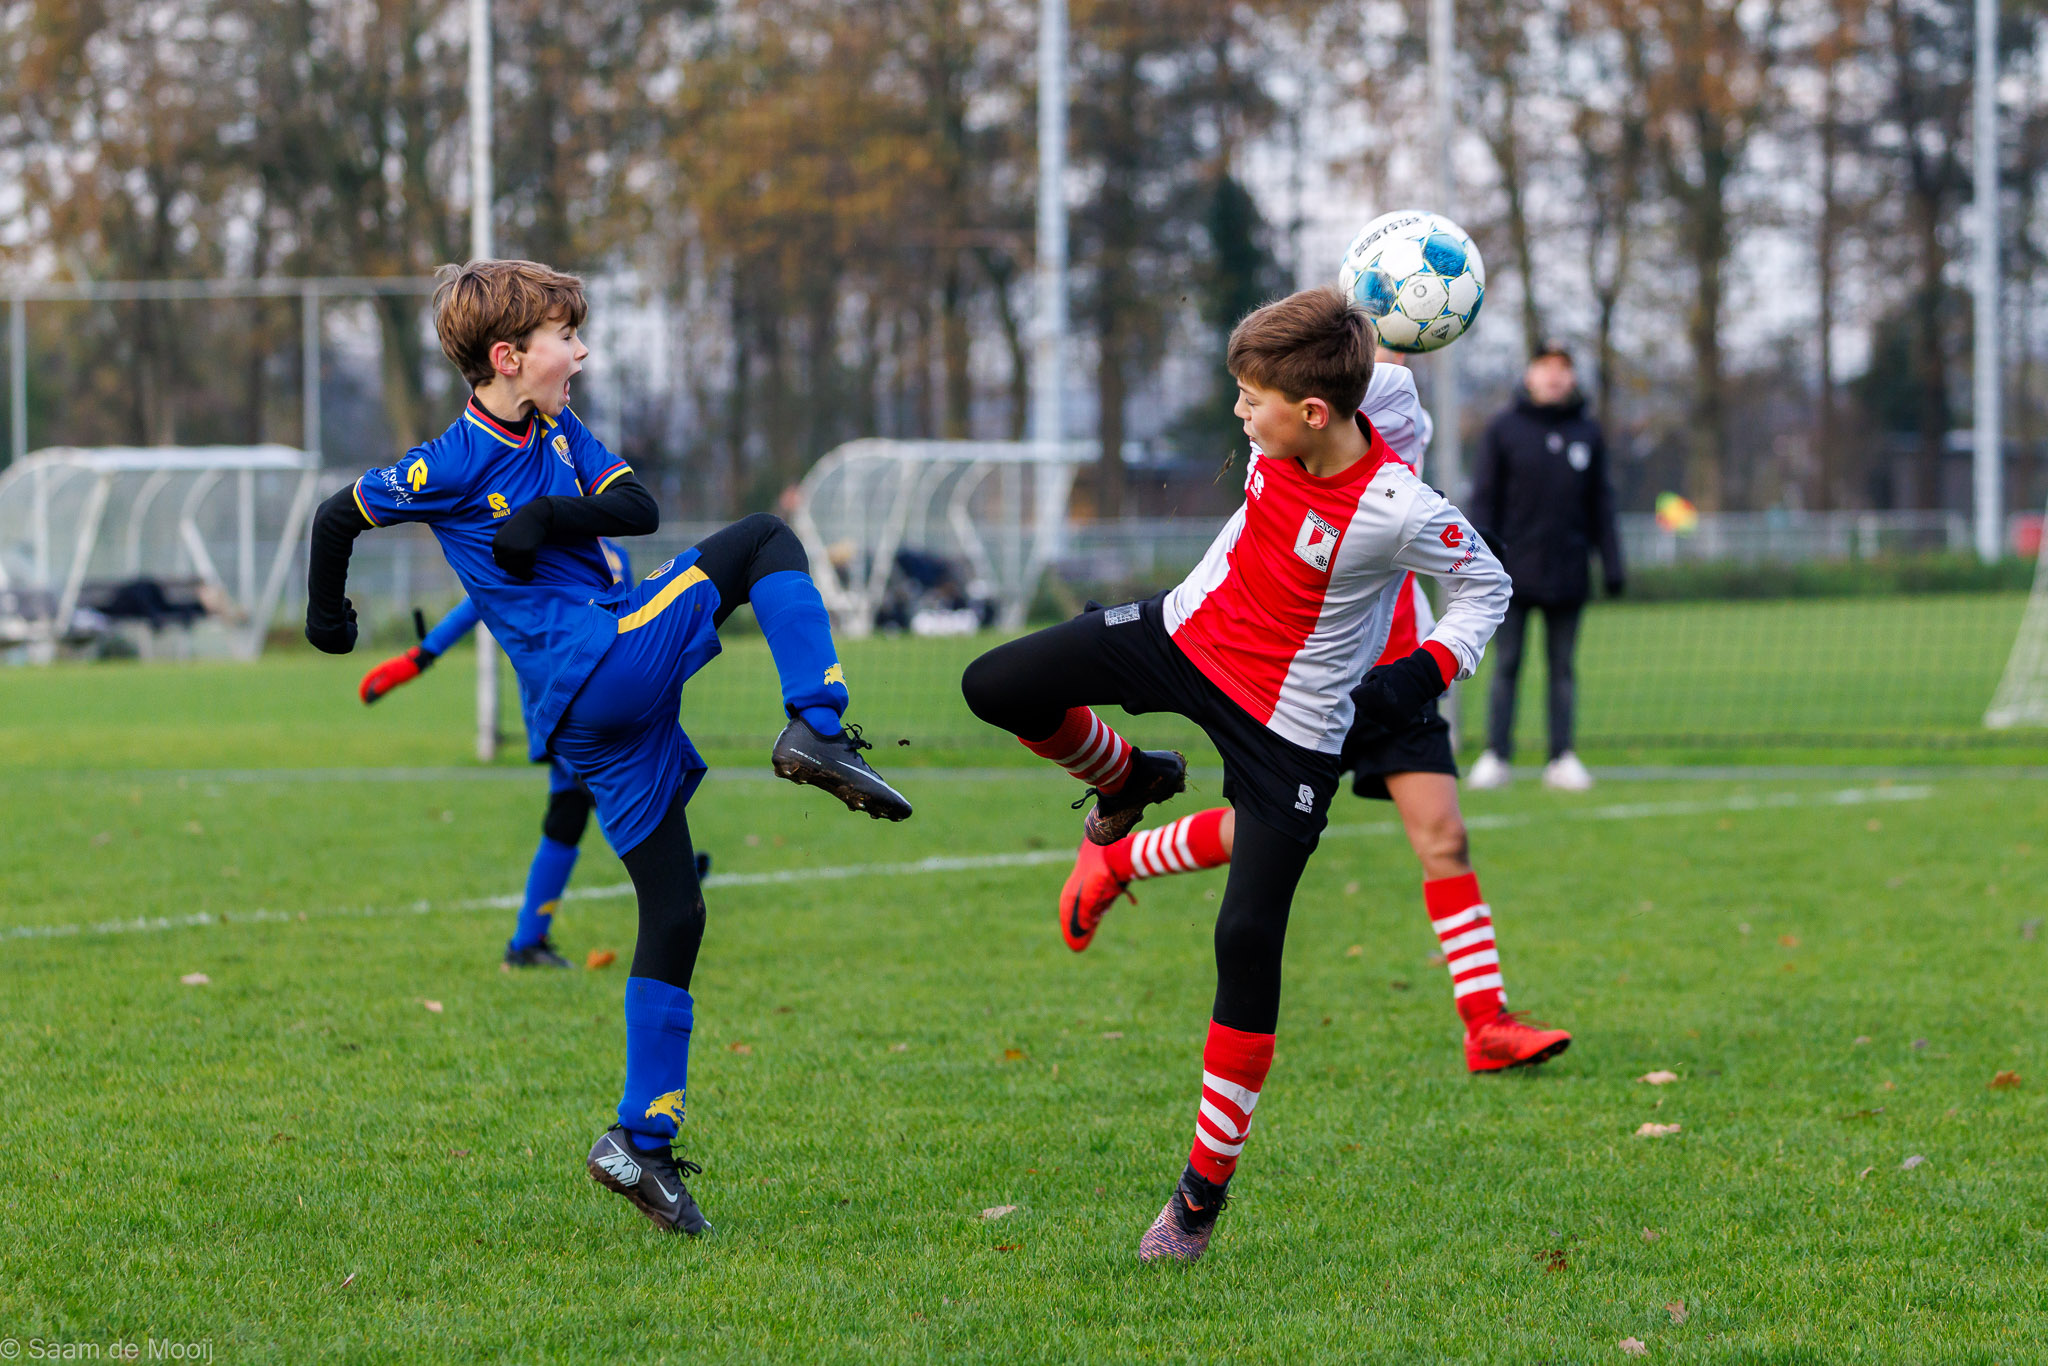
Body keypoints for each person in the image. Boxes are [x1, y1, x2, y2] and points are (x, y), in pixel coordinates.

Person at [304, 259, 912, 1238]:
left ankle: (640, 1142)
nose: (581, 352)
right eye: (565, 337)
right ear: (509, 357)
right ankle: (817, 723)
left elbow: (637, 508)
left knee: (675, 911)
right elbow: (338, 514)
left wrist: (549, 515)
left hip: (593, 709)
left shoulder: (558, 431)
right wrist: (327, 619)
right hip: (601, 660)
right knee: (764, 539)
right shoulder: (447, 461)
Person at [961, 287, 1510, 1263]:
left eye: (1251, 400)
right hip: (1181, 637)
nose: (1237, 413)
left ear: (1313, 415)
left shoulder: (1397, 507)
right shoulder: (1322, 398)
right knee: (993, 684)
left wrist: (1420, 672)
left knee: (1245, 937)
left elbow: (1486, 587)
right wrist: (1355, 305)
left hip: (1289, 730)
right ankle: (1126, 778)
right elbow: (1358, 358)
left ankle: (1197, 1199)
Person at [1059, 353, 1571, 1076]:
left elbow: (1457, 547)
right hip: (1312, 685)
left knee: (1445, 837)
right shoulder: (1318, 415)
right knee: (1252, 835)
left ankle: (1485, 1025)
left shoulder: (1398, 417)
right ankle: (1122, 859)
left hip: (1399, 673)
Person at [358, 539, 711, 970]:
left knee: (568, 812)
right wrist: (421, 656)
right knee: (601, 789)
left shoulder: (617, 554)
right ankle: (672, 868)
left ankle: (527, 942)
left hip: (599, 699)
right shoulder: (545, 544)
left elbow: (629, 617)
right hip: (558, 701)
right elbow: (478, 601)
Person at [1465, 341, 1624, 792]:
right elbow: (1484, 501)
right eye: (1545, 367)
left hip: (1569, 573)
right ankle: (1496, 755)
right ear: (1529, 374)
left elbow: (1602, 504)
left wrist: (1612, 563)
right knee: (1506, 665)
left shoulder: (1587, 432)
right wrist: (1478, 562)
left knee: (1563, 669)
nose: (1554, 375)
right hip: (1510, 575)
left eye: (1562, 368)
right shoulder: (1503, 430)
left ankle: (1562, 758)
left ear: (1571, 377)